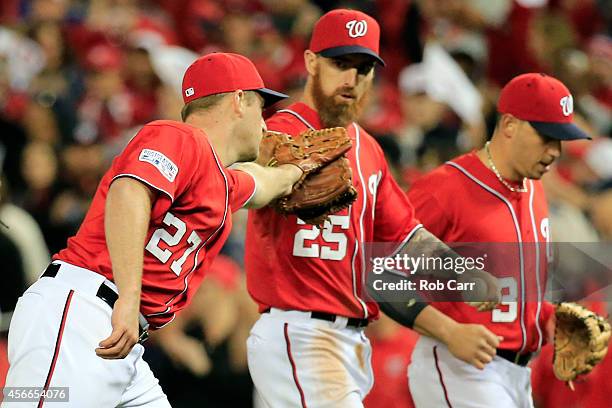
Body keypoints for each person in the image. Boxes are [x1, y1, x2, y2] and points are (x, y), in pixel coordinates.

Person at [2, 52, 305, 407]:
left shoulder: (221, 182)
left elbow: (263, 184)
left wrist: (299, 172)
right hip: (81, 315)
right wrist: (129, 298)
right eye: (261, 107)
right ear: (239, 100)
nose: (266, 124)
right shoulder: (178, 137)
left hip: (120, 339)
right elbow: (128, 192)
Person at [245, 9, 500, 408]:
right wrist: (276, 177)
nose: (352, 79)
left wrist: (462, 274)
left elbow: (404, 236)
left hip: (351, 340)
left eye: (363, 69)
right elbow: (247, 183)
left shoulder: (368, 149)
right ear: (311, 62)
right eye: (340, 64)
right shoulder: (280, 132)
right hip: (301, 330)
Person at [406, 73, 591, 407]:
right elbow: (379, 274)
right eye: (546, 137)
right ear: (509, 125)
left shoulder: (533, 188)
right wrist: (448, 332)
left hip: (517, 374)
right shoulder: (444, 188)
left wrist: (549, 318)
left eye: (561, 140)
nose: (555, 152)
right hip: (460, 367)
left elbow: (516, 283)